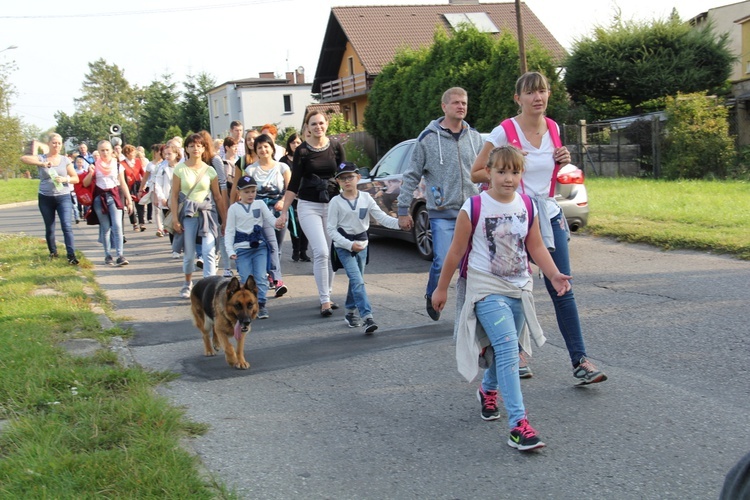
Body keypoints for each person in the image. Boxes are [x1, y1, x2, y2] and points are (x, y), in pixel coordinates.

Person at [470, 71, 607, 385]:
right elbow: (476, 172)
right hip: (511, 216)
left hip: (548, 212)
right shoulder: (505, 130)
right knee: (514, 287)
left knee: (562, 285)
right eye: (530, 92)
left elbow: (550, 172)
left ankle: (581, 360)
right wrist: (508, 168)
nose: (538, 97)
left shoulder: (554, 128)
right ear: (518, 98)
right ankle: (513, 353)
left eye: (542, 91)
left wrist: (563, 160)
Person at [432, 146, 572, 451]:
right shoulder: (475, 207)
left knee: (505, 348)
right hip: (485, 290)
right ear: (489, 173)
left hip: (519, 290)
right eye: (501, 171)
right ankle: (518, 426)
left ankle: (488, 390)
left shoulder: (528, 205)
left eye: (515, 172)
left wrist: (555, 274)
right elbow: (455, 252)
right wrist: (441, 288)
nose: (508, 178)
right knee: (509, 348)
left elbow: (535, 247)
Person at [397, 87, 483, 322]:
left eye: (464, 102)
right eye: (455, 103)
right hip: (442, 211)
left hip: (472, 211)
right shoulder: (427, 138)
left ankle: (476, 308)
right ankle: (433, 293)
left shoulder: (475, 138)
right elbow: (412, 175)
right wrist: (403, 209)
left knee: (476, 264)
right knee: (444, 260)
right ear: (444, 106)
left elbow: (486, 171)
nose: (461, 106)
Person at [276, 111, 345, 316]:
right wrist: (284, 211)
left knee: (330, 252)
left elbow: (344, 173)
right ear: (307, 127)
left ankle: (328, 294)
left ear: (327, 124)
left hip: (332, 205)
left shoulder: (335, 146)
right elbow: (294, 182)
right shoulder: (303, 151)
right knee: (321, 252)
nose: (318, 127)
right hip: (308, 206)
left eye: (321, 123)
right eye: (313, 124)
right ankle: (324, 300)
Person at [327, 162, 400, 334]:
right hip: (344, 247)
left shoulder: (366, 198)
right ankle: (367, 317)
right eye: (343, 178)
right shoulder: (335, 202)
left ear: (358, 178)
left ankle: (350, 311)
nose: (347, 181)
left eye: (350, 177)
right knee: (358, 281)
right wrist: (348, 244)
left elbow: (382, 218)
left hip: (363, 245)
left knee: (356, 280)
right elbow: (330, 229)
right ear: (338, 181)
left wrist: (400, 224)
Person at [231, 133, 290, 297]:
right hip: (260, 212)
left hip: (280, 209)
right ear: (255, 150)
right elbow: (246, 193)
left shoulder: (282, 167)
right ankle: (277, 280)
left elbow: (290, 189)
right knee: (271, 244)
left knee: (276, 246)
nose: (263, 149)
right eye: (259, 147)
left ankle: (270, 275)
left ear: (272, 148)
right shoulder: (251, 170)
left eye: (266, 146)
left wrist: (283, 202)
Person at [169, 133, 227, 299]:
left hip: (207, 215)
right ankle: (187, 283)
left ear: (204, 148)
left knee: (209, 251)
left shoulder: (210, 170)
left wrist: (224, 220)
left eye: (199, 146)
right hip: (188, 216)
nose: (196, 149)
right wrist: (174, 218)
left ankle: (209, 287)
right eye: (192, 146)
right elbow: (174, 195)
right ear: (186, 148)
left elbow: (217, 196)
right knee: (189, 255)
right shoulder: (180, 169)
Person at [20, 133, 81, 265]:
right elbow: (23, 158)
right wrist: (41, 164)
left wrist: (65, 179)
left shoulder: (65, 160)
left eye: (59, 143)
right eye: (54, 143)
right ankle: (53, 252)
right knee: (50, 226)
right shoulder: (42, 158)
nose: (56, 145)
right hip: (45, 197)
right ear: (48, 144)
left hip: (63, 196)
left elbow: (76, 178)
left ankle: (71, 255)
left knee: (67, 226)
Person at [224, 175, 279, 320]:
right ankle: (246, 306)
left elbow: (270, 219)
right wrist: (230, 250)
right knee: (246, 279)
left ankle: (261, 304)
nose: (250, 195)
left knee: (261, 277)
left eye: (253, 191)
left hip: (259, 247)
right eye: (247, 191)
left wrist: (279, 222)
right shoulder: (234, 209)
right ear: (239, 192)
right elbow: (229, 231)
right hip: (242, 249)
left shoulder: (260, 204)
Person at [82, 140, 134, 266]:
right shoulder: (94, 165)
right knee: (105, 228)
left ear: (112, 151)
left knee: (117, 226)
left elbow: (123, 183)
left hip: (114, 196)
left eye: (107, 150)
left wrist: (129, 201)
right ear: (98, 152)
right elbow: (85, 183)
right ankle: (107, 255)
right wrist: (90, 172)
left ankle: (120, 255)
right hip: (99, 198)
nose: (105, 152)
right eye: (102, 150)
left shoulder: (118, 165)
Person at [280, 132, 310, 262]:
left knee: (305, 224)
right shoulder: (283, 161)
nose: (296, 145)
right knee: (294, 224)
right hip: (290, 195)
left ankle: (304, 251)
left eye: (298, 142)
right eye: (293, 143)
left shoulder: (306, 157)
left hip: (304, 194)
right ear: (289, 144)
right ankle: (296, 250)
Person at [154, 144, 180, 245]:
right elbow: (158, 184)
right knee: (170, 223)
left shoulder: (182, 167)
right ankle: (174, 246)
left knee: (181, 222)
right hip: (167, 201)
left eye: (169, 154)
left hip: (180, 198)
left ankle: (182, 245)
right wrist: (162, 198)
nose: (167, 156)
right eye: (165, 154)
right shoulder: (162, 168)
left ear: (176, 154)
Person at [121, 144, 147, 232]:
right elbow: (121, 176)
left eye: (134, 151)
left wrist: (144, 182)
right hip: (127, 187)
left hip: (137, 185)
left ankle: (142, 223)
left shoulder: (138, 161)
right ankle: (134, 223)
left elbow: (142, 172)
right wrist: (126, 178)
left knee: (140, 204)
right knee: (130, 204)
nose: (134, 153)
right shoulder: (122, 164)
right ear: (127, 153)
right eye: (132, 152)